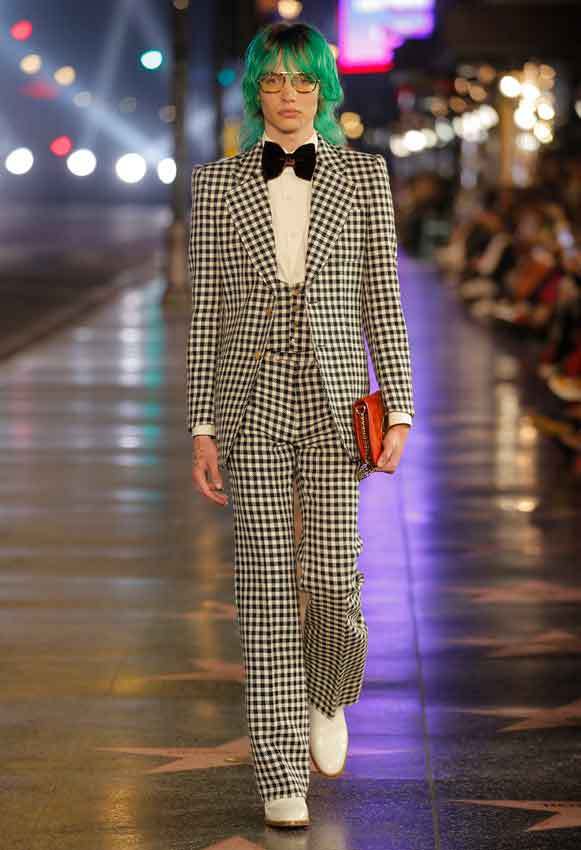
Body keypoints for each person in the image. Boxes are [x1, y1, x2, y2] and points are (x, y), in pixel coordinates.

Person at [187, 20, 415, 829]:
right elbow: (207, 309)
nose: (288, 96)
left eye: (303, 81)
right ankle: (280, 773)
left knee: (330, 578)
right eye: (274, 81)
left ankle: (328, 692)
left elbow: (382, 297)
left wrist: (399, 407)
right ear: (257, 91)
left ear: (323, 88)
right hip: (248, 398)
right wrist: (201, 425)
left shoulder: (363, 176)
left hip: (333, 398)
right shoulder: (217, 183)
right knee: (261, 587)